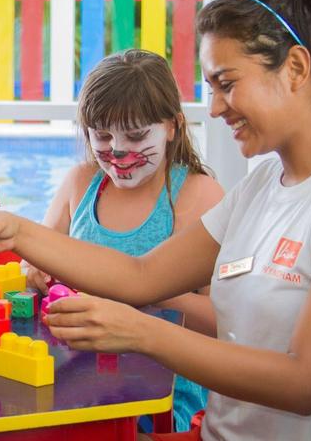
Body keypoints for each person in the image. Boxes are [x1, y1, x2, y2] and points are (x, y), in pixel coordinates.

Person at [0, 0, 311, 440]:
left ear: (296, 68)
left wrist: (141, 333)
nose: (216, 107)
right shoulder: (263, 186)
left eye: (227, 84)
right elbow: (143, 275)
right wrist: (16, 229)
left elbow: (306, 382)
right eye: (210, 87)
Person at [25, 49, 223, 431]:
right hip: (78, 383)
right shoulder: (81, 185)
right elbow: (35, 266)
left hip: (165, 403)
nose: (117, 151)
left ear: (172, 126)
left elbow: (224, 324)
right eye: (102, 135)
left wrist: (147, 289)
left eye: (135, 135)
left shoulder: (197, 197)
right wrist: (33, 272)